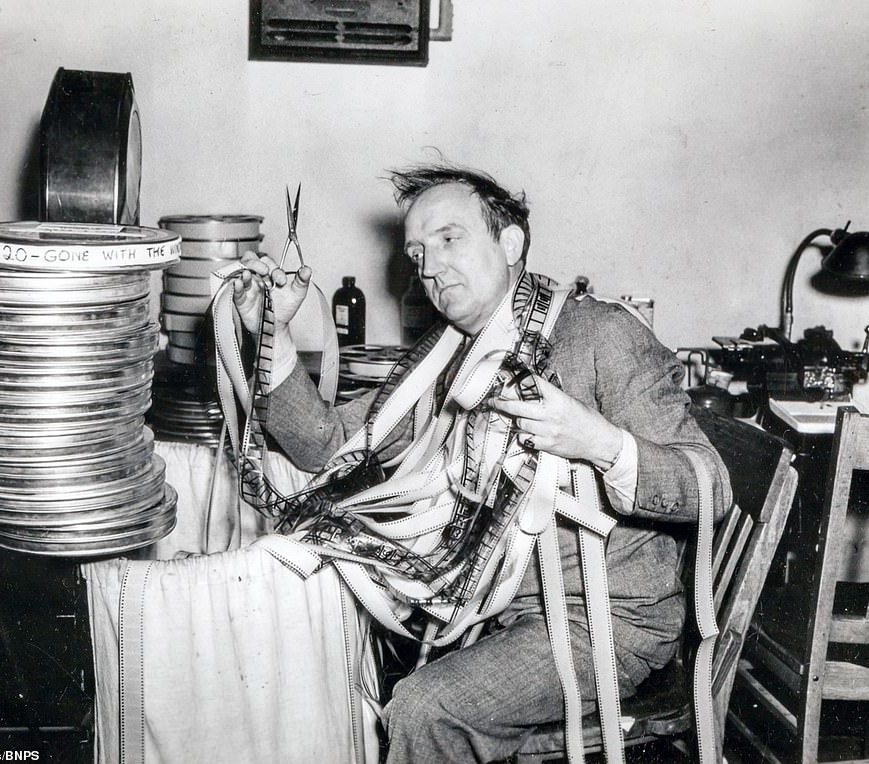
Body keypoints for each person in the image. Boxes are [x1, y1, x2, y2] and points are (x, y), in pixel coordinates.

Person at [230, 163, 732, 763]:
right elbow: (326, 446)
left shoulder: (600, 333)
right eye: (417, 251)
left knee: (423, 708)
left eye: (449, 238)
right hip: (487, 606)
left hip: (602, 621)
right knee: (331, 630)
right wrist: (276, 331)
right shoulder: (444, 357)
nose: (429, 266)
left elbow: (711, 486)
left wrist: (596, 440)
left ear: (511, 242)